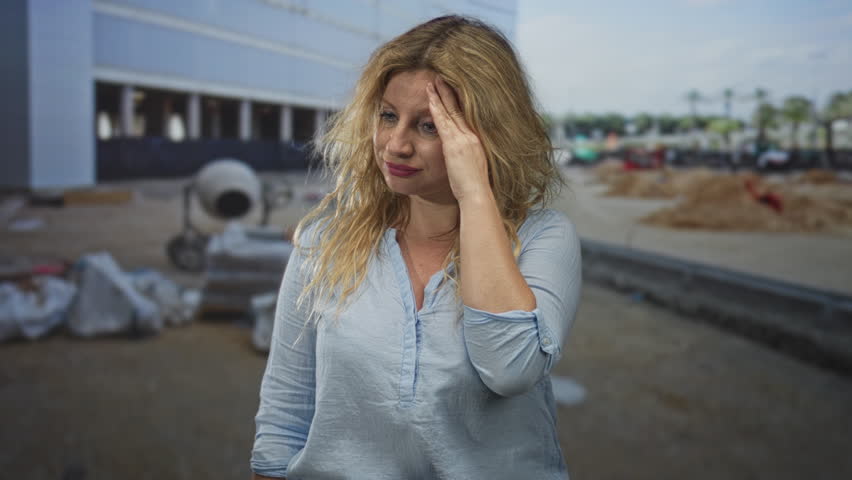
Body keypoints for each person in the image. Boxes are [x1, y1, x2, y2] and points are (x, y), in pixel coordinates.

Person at [251, 15, 582, 480]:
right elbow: (286, 408)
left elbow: (510, 369)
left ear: (485, 136)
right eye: (388, 116)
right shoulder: (325, 239)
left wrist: (474, 194)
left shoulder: (544, 238)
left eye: (430, 127)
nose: (396, 144)